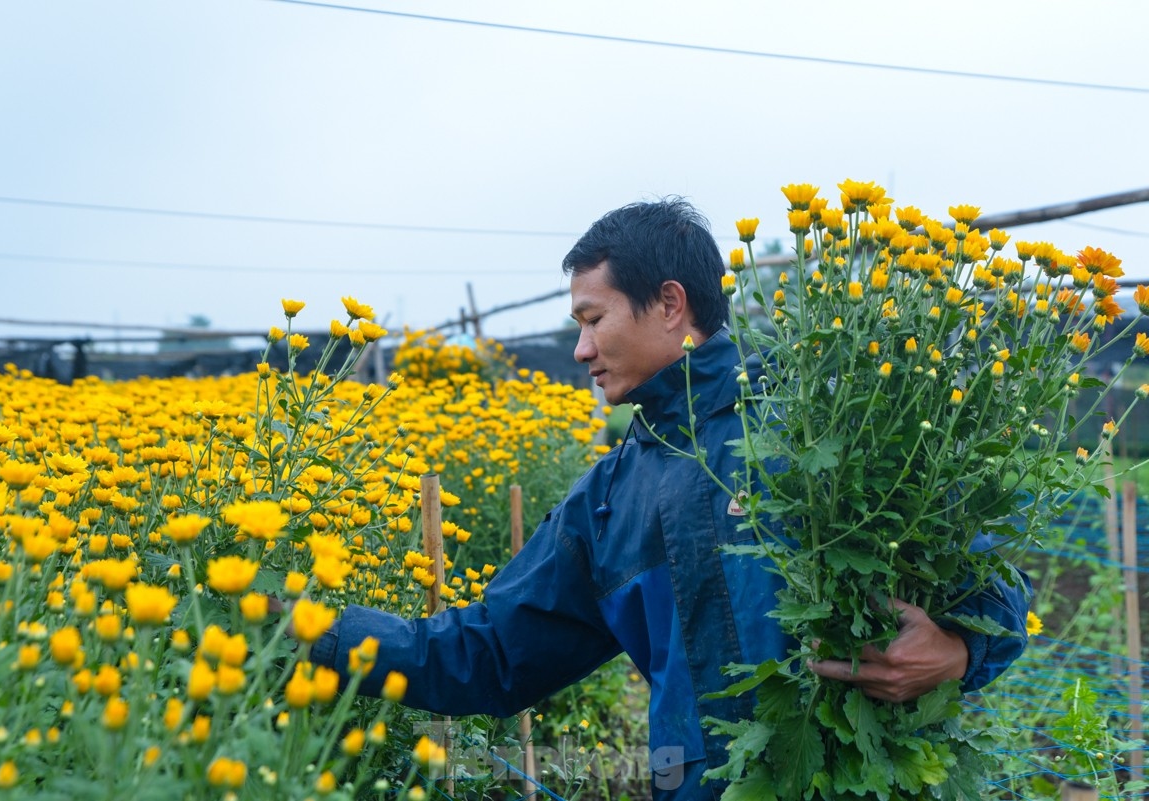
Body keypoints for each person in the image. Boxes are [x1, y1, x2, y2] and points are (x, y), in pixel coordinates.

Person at [308, 198, 1031, 799]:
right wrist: (311, 631)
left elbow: (992, 588)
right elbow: (490, 653)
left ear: (669, 304)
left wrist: (960, 652)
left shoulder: (829, 426)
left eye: (593, 320)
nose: (582, 350)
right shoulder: (610, 498)